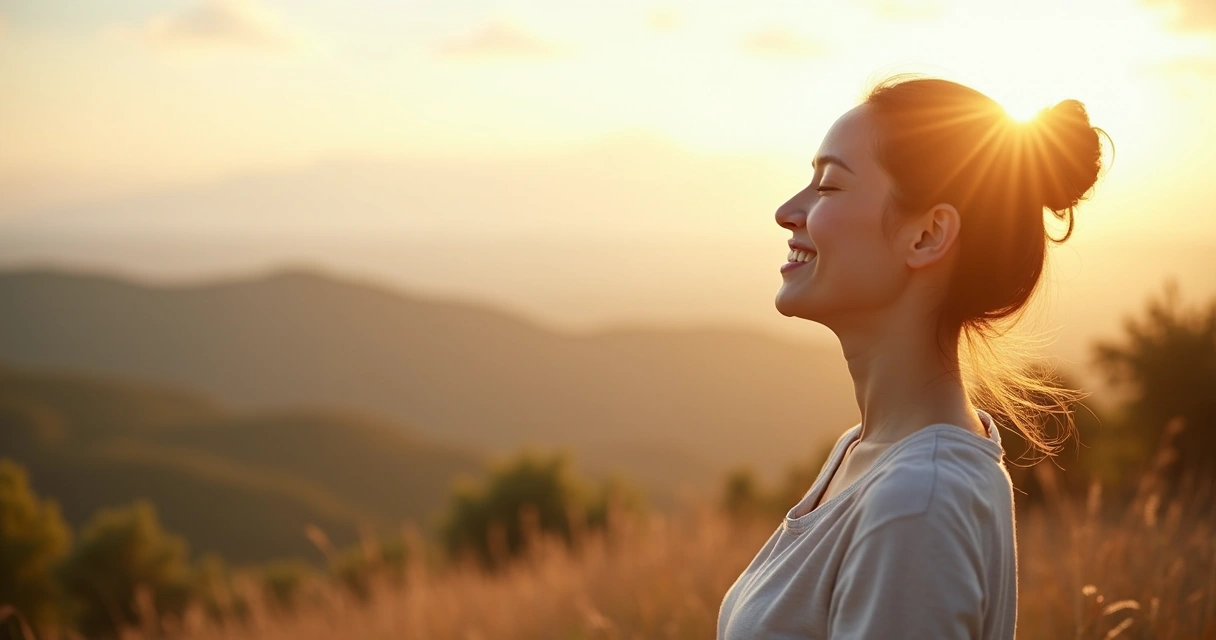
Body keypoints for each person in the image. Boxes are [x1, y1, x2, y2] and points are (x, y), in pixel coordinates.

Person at [716, 75, 1107, 639]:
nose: (787, 211)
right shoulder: (865, 452)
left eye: (828, 186)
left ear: (927, 235)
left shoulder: (918, 499)